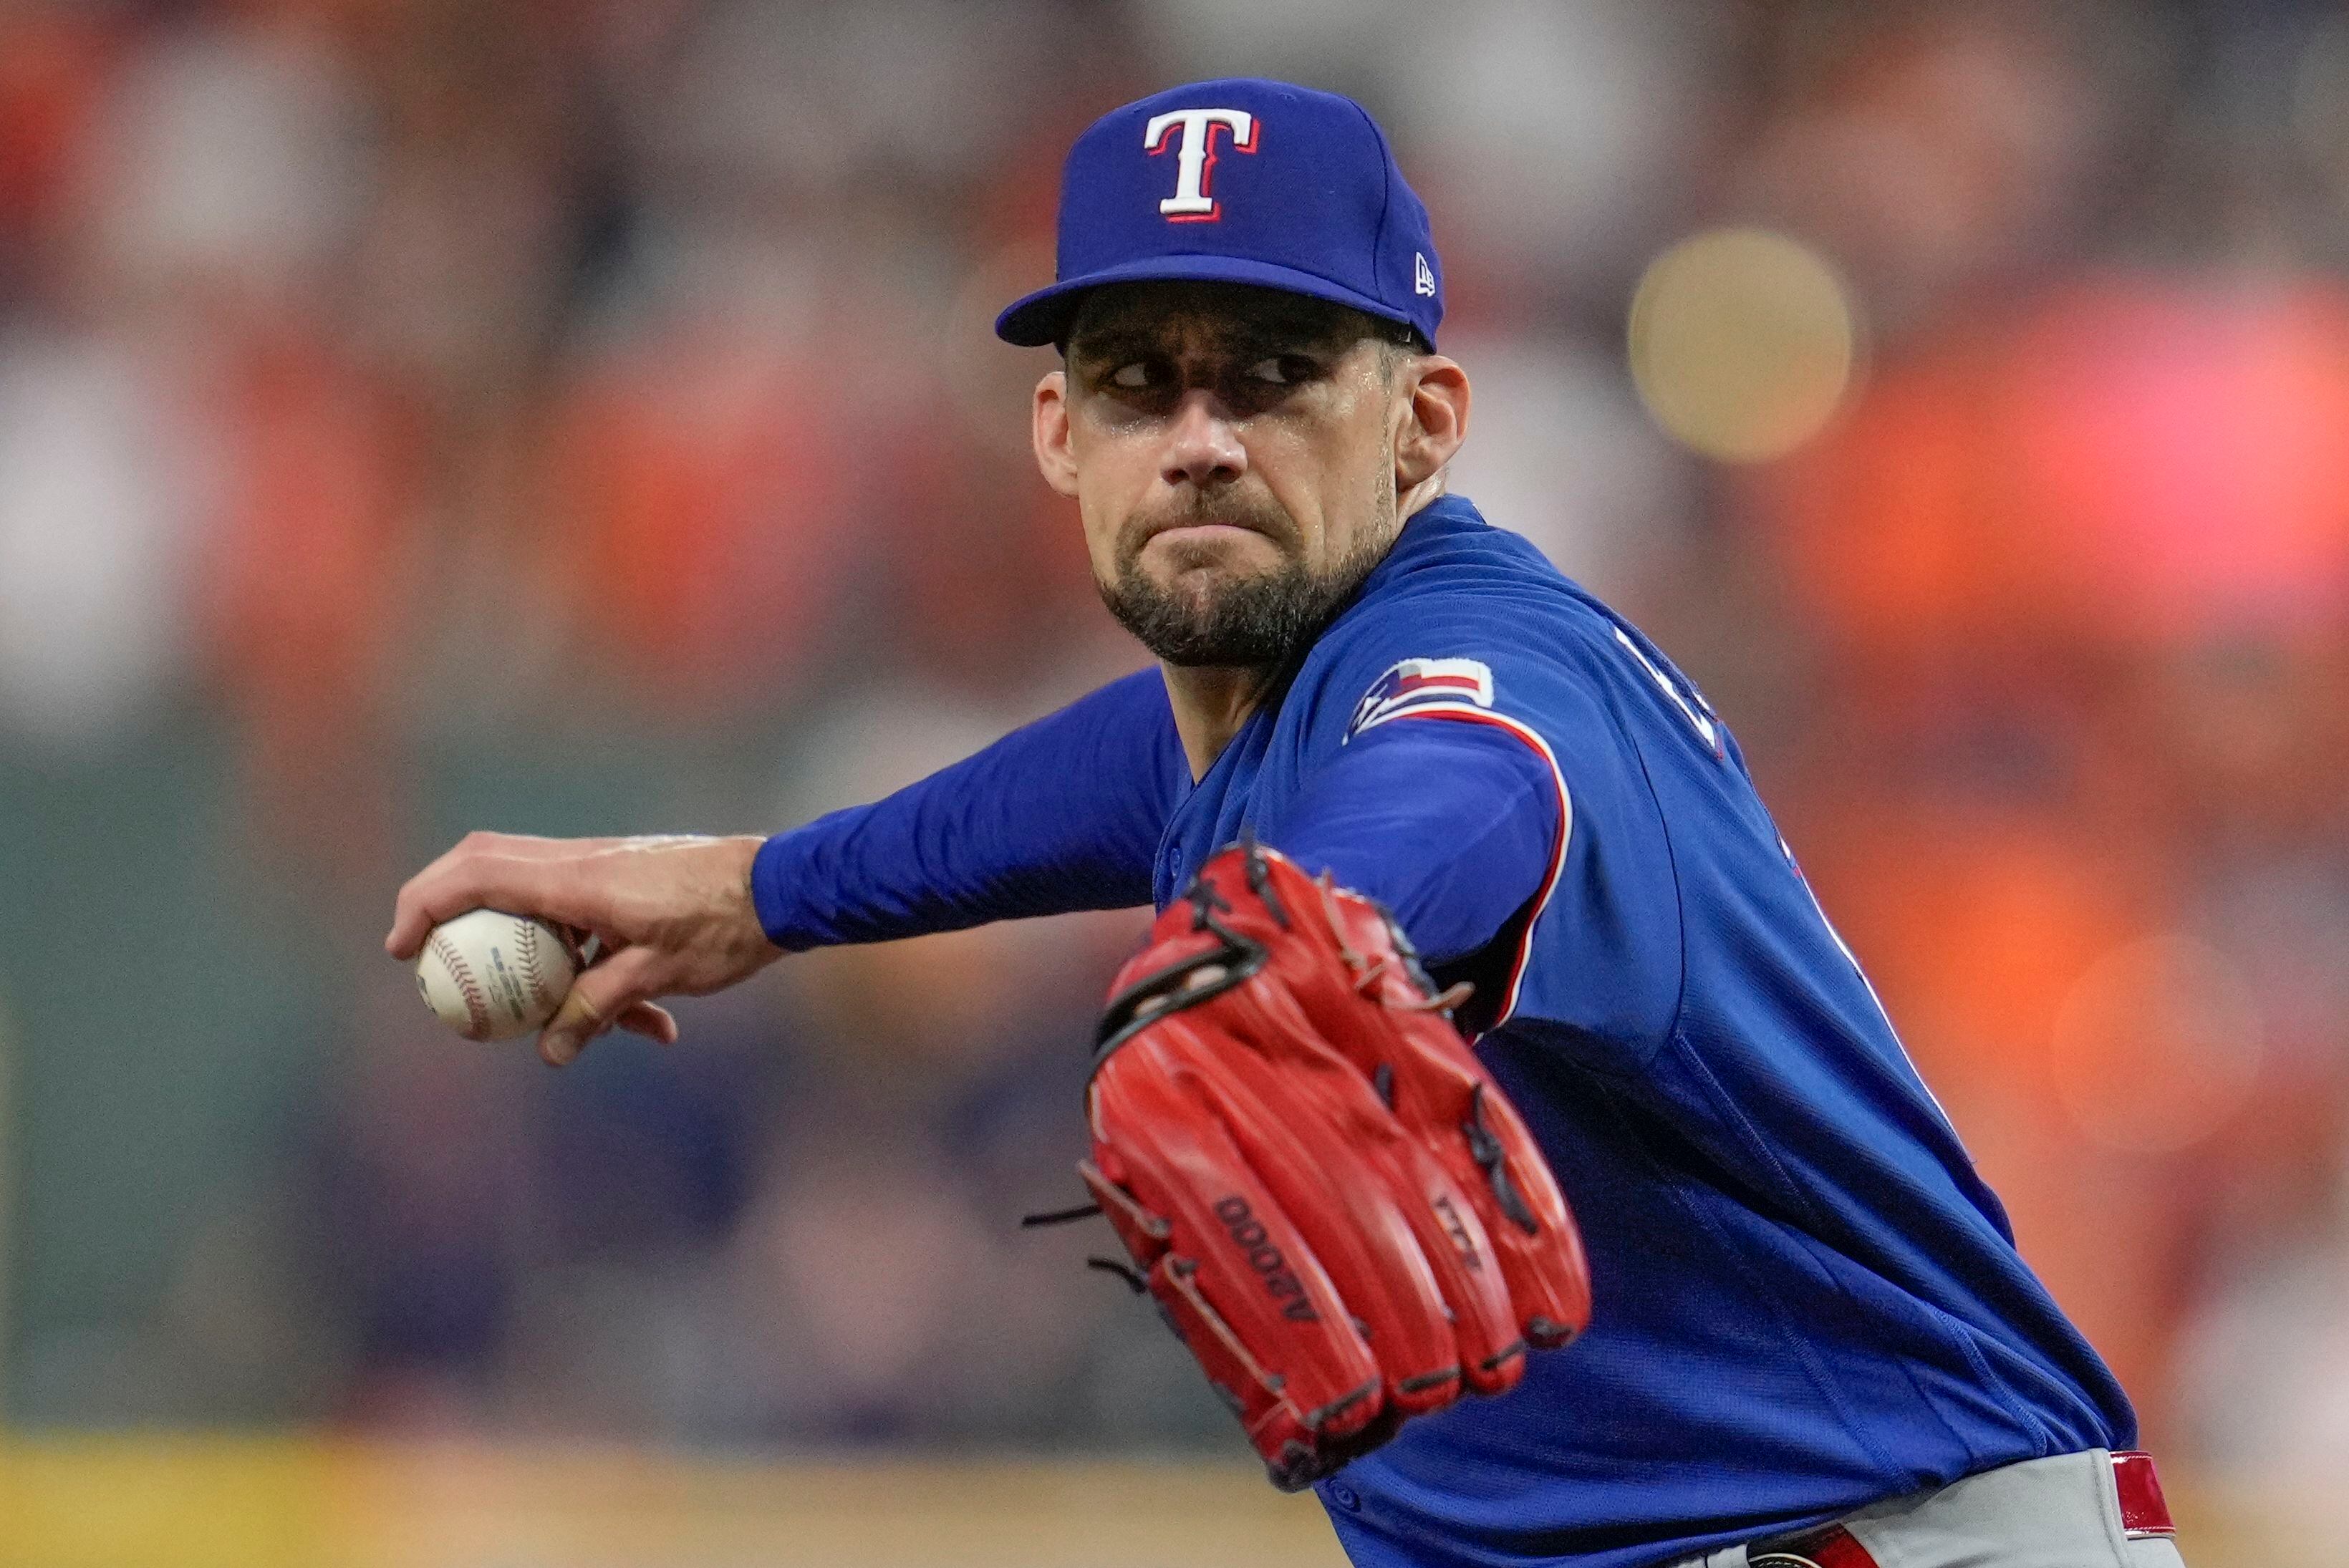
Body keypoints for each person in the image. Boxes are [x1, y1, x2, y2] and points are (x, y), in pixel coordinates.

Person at [387, 79, 2185, 1568]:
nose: (1197, 439)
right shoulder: (1245, 714)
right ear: (1053, 434)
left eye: (1269, 375)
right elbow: (1104, 782)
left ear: (1422, 425)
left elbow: (1473, 784)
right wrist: (760, 888)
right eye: (1136, 380)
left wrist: (1298, 928)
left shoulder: (1486, 670)